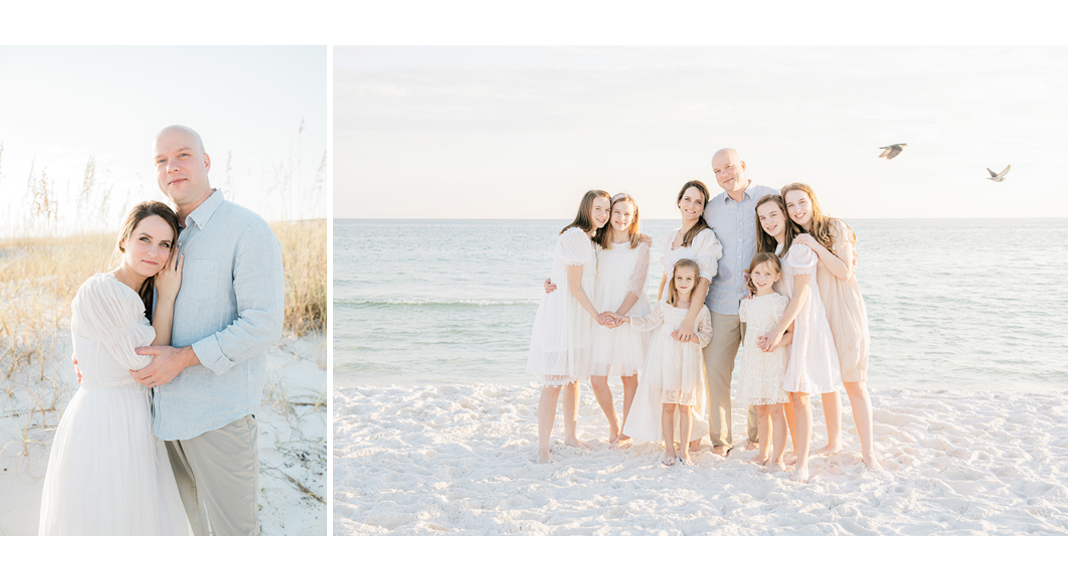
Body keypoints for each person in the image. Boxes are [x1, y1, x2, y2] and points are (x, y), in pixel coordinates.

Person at [126, 125, 284, 535]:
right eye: (161, 160)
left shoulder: (246, 230)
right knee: (186, 535)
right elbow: (141, 309)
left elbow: (264, 324)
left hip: (219, 416)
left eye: (183, 155)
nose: (171, 167)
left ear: (206, 162)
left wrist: (183, 359)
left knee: (234, 538)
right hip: (164, 418)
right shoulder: (163, 236)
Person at [39, 202, 191, 535]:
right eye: (144, 239)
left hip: (136, 419)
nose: (153, 252)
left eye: (165, 244)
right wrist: (167, 299)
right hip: (104, 421)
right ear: (124, 239)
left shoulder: (137, 295)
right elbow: (149, 363)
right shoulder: (102, 289)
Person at [783, 183, 880, 470]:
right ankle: (834, 441)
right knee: (827, 381)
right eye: (791, 205)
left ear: (812, 201)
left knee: (854, 383)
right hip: (817, 315)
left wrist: (814, 244)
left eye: (802, 202)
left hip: (844, 310)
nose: (797, 209)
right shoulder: (795, 238)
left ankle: (868, 453)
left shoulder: (835, 228)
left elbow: (844, 270)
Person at [754, 194, 843, 482]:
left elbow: (803, 293)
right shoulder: (777, 251)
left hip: (803, 323)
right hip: (787, 326)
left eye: (773, 215)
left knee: (800, 394)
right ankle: (796, 449)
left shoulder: (800, 247)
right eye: (763, 218)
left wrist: (779, 329)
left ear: (785, 214)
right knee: (789, 392)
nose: (768, 222)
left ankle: (802, 463)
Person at [702, 148, 780, 456]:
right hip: (720, 299)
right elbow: (690, 240)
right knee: (715, 370)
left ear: (743, 166)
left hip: (760, 300)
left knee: (759, 367)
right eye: (718, 171)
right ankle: (721, 441)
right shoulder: (710, 210)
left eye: (729, 167)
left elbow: (801, 219)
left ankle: (758, 439)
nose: (725, 174)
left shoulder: (768, 196)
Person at [527, 189, 612, 464]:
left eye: (607, 210)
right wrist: (597, 315)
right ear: (586, 208)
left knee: (573, 379)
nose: (603, 215)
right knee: (553, 383)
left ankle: (571, 437)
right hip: (563, 317)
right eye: (598, 208)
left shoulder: (588, 238)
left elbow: (566, 277)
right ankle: (543, 449)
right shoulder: (576, 236)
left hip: (575, 317)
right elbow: (574, 286)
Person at [618, 259, 712, 466]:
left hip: (688, 364)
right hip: (667, 365)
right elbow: (648, 323)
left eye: (689, 278)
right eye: (679, 278)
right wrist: (624, 319)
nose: (684, 282)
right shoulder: (665, 306)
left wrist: (691, 336)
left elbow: (706, 336)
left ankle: (684, 450)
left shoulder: (700, 310)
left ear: (696, 281)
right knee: (668, 406)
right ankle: (669, 448)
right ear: (673, 280)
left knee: (686, 407)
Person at [588, 194, 651, 444]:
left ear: (634, 217)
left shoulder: (641, 247)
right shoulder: (596, 244)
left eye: (627, 214)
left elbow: (637, 286)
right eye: (617, 212)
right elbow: (576, 271)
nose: (621, 218)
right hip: (602, 313)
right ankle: (613, 425)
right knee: (597, 378)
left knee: (629, 376)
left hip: (629, 313)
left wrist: (620, 315)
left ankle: (626, 430)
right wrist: (552, 282)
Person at [736, 252, 792, 472]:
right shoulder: (747, 303)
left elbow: (791, 333)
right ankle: (762, 453)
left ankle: (777, 458)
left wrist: (776, 343)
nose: (761, 277)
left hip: (773, 362)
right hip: (754, 363)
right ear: (750, 276)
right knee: (761, 412)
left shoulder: (779, 302)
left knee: (777, 412)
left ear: (777, 276)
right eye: (757, 273)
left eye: (767, 273)